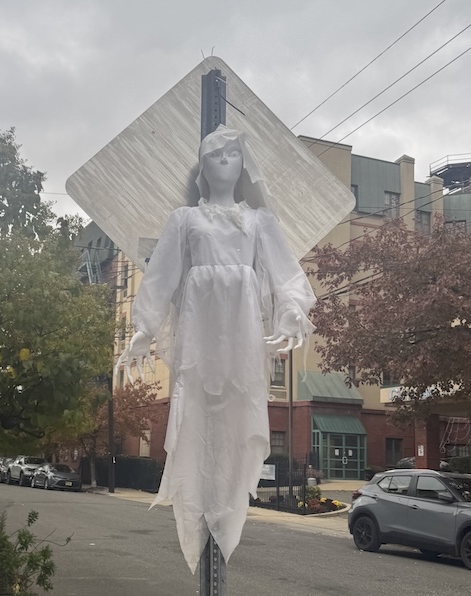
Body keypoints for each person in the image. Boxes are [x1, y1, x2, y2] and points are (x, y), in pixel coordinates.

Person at [116, 125, 316, 573]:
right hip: (199, 335)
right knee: (196, 415)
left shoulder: (259, 222)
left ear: (244, 165)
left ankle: (225, 508)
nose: (225, 161)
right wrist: (143, 331)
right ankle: (197, 508)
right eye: (215, 154)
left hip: (242, 340)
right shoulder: (185, 220)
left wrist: (290, 313)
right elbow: (162, 275)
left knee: (237, 414)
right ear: (203, 166)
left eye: (233, 154)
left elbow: (285, 275)